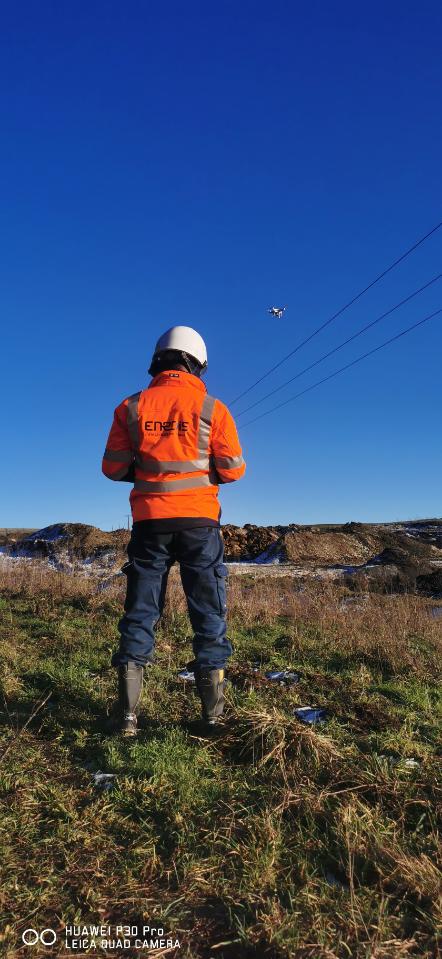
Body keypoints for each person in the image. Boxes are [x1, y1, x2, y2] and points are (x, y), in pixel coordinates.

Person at [102, 326, 246, 737]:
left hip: (149, 524)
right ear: (196, 362)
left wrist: (147, 471)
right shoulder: (212, 408)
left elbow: (112, 467)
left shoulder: (129, 408)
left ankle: (127, 716)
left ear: (159, 359)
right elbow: (234, 469)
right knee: (208, 614)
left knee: (141, 613)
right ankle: (212, 718)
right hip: (200, 525)